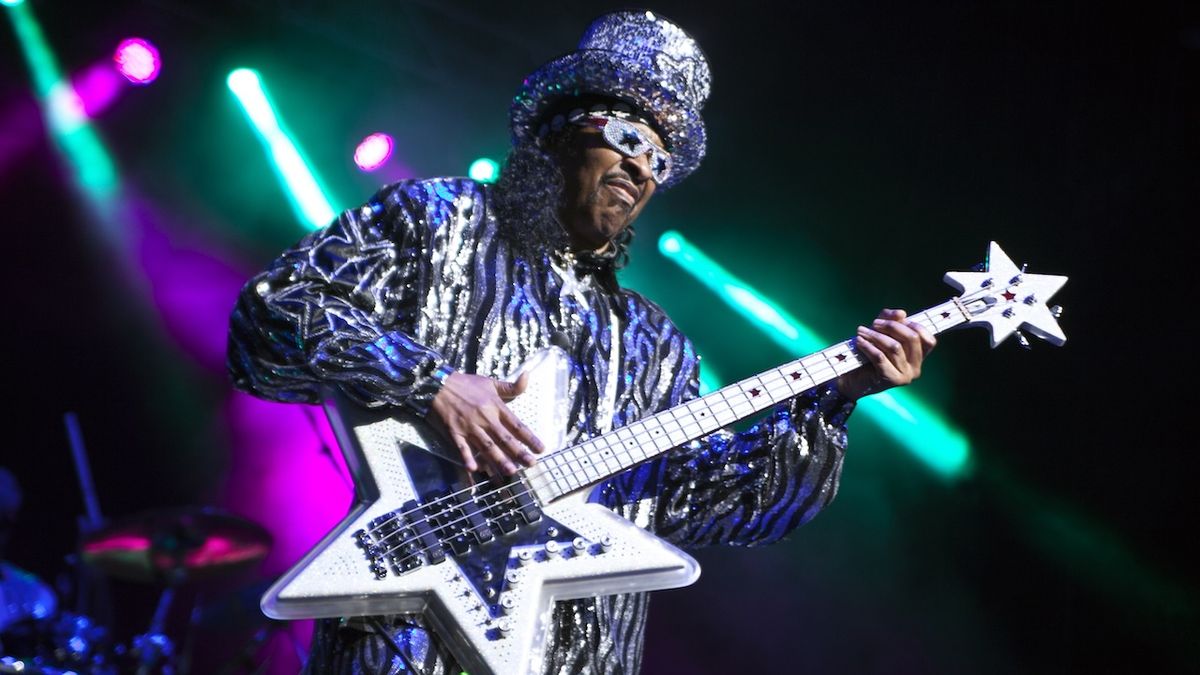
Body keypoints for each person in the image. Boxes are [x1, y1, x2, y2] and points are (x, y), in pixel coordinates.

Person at [227, 10, 935, 674]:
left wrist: (836, 399)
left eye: (658, 156)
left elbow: (707, 502)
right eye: (627, 136)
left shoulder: (657, 344)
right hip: (405, 644)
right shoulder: (434, 222)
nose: (641, 166)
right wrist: (430, 380)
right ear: (564, 131)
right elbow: (274, 313)